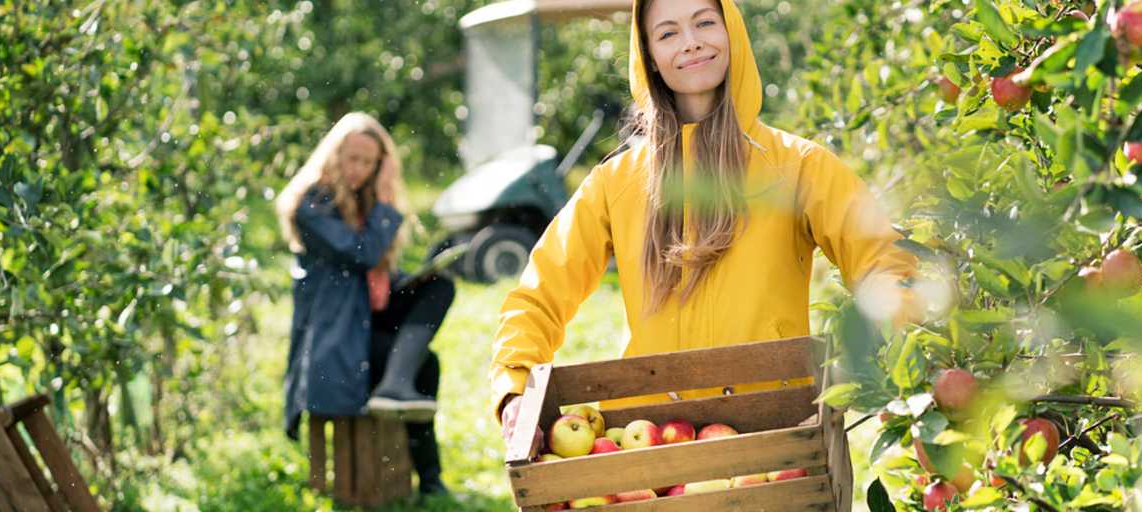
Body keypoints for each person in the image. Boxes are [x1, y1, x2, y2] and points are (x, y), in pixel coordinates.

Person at [492, 0, 919, 450]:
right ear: (649, 58)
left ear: (732, 30)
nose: (691, 42)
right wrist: (515, 387)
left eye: (704, 22)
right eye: (668, 33)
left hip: (775, 436)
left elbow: (882, 261)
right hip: (652, 446)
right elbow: (539, 295)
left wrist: (886, 347)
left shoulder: (797, 166)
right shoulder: (617, 183)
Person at [276, 112, 453, 495]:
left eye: (368, 162)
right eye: (351, 158)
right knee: (429, 363)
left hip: (364, 318)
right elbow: (362, 254)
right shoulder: (310, 205)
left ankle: (398, 390)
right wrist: (387, 202)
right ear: (333, 154)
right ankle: (430, 479)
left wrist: (415, 277)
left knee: (440, 286)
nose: (357, 169)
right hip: (336, 336)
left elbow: (375, 275)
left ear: (379, 166)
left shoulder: (365, 201)